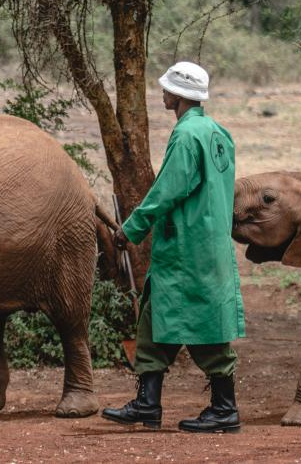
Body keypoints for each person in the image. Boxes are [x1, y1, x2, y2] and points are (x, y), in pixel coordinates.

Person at [101, 61, 245, 433]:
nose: (161, 93)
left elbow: (167, 191)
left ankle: (225, 410)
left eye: (166, 88)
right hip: (207, 244)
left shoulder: (186, 136)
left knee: (203, 329)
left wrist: (130, 230)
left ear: (179, 95)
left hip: (188, 249)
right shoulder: (218, 133)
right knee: (154, 318)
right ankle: (147, 405)